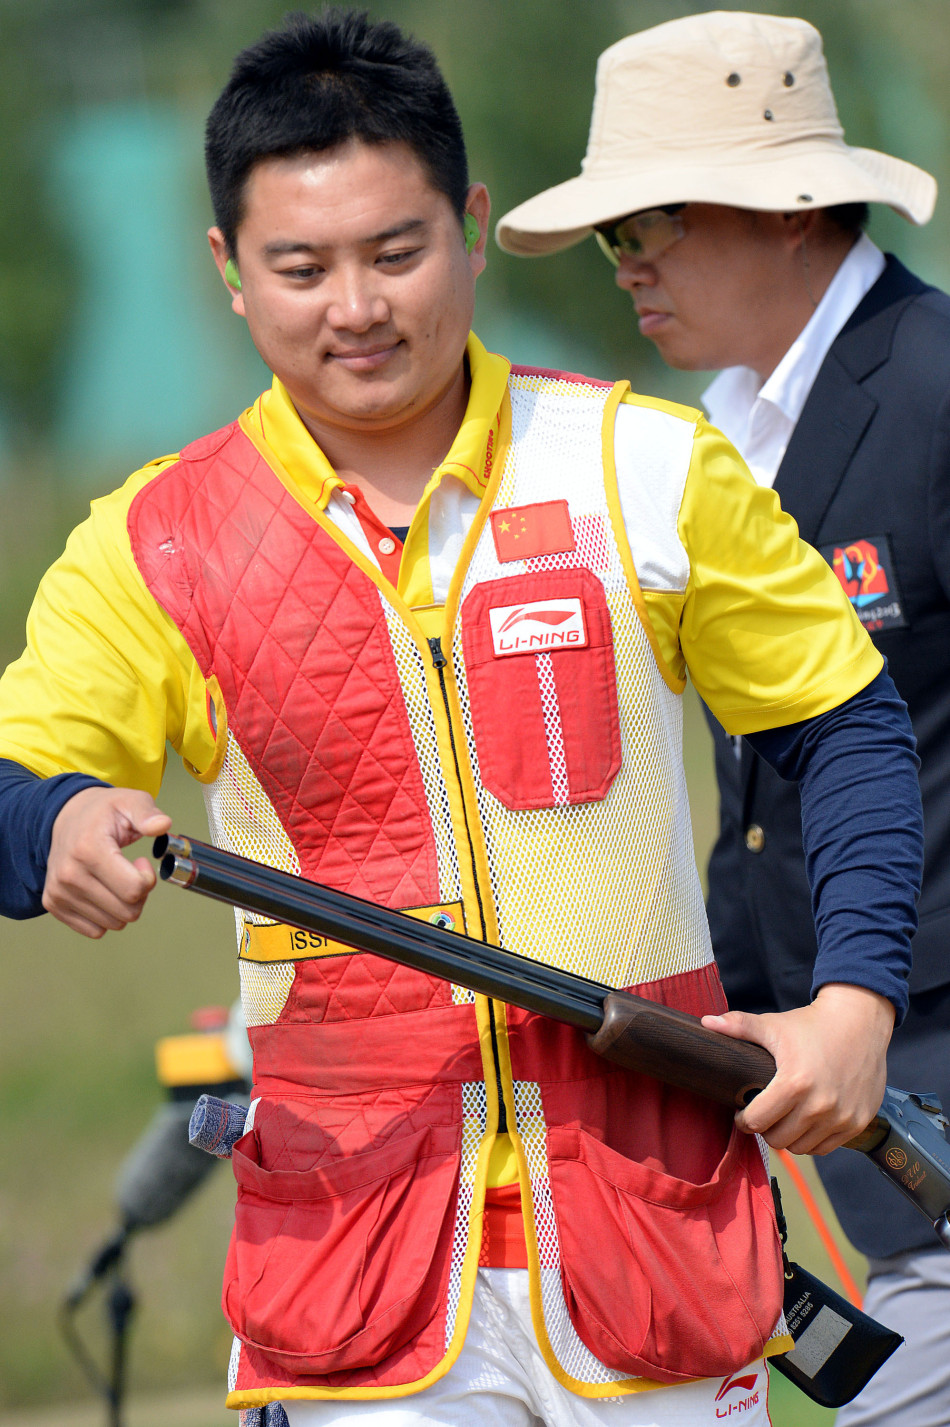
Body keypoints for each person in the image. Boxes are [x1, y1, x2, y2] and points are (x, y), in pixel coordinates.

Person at [0, 9, 924, 1426]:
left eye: (396, 252)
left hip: (652, 1253)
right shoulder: (153, 541)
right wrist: (55, 820)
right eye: (300, 267)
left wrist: (853, 1004)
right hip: (352, 1277)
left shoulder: (647, 466)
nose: (354, 307)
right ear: (226, 272)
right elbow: (17, 777)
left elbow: (844, 724)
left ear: (474, 228)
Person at [496, 11, 950, 1427]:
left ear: (794, 205)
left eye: (656, 221)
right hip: (824, 1090)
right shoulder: (707, 436)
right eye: (610, 233)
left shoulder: (938, 390)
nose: (627, 259)